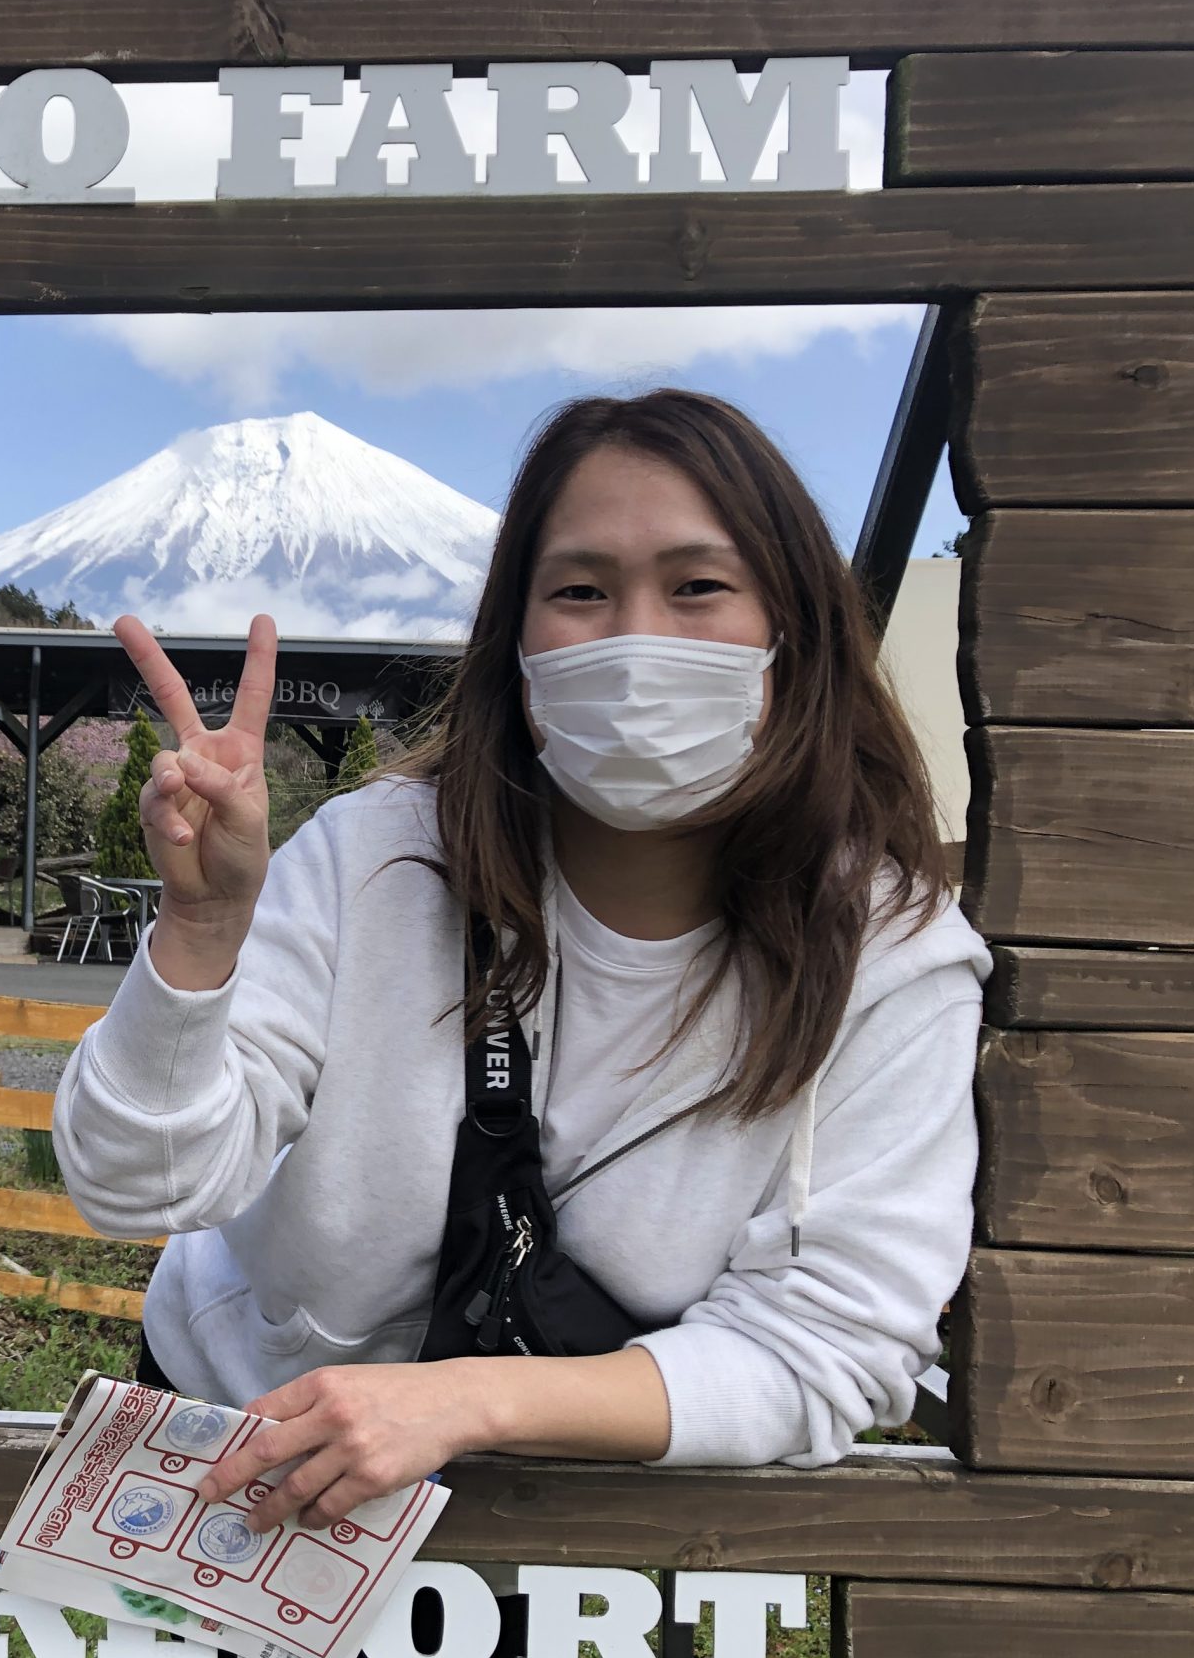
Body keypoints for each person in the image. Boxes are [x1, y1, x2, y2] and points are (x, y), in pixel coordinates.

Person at [53, 388, 987, 1533]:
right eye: (581, 592)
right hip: (246, 1446)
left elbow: (834, 1341)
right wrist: (200, 935)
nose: (638, 640)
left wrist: (464, 1401)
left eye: (698, 586)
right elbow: (136, 1185)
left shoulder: (887, 959)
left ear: (795, 633)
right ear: (518, 642)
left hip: (563, 1492)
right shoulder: (372, 858)